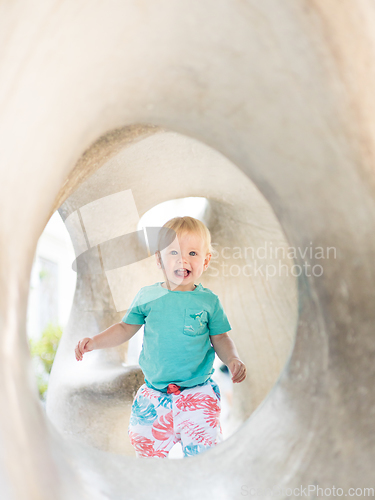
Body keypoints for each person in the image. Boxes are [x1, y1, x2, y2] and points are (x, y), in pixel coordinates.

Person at [75, 216, 246, 458]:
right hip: (155, 394)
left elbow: (221, 338)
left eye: (193, 253)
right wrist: (94, 342)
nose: (183, 259)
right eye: (173, 252)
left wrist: (233, 359)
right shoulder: (147, 297)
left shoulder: (209, 302)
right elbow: (124, 328)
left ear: (206, 261)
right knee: (145, 450)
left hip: (197, 393)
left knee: (205, 455)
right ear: (159, 259)